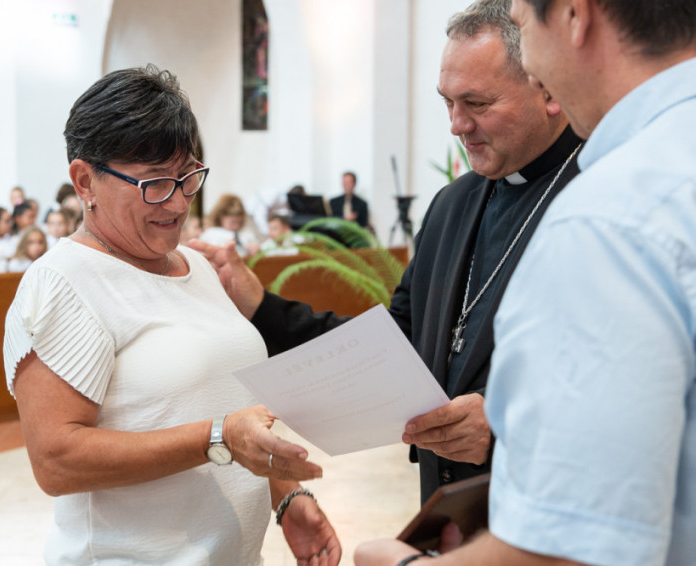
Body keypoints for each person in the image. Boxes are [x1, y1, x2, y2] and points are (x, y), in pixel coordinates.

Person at [191, 0, 580, 506]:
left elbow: (632, 378)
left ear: (547, 90)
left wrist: (505, 423)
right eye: (447, 102)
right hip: (447, 506)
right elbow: (391, 347)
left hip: (552, 506)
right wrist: (261, 307)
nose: (456, 125)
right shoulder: (453, 205)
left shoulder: (599, 198)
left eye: (477, 103)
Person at [354, 0, 696, 564]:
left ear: (573, 16)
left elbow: (577, 544)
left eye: (523, 23)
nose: (534, 69)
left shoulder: (610, 214)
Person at [3, 65, 340, 566]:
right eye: (155, 182)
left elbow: (220, 404)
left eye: (187, 177)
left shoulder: (198, 265)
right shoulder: (64, 283)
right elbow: (56, 460)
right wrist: (217, 437)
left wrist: (286, 495)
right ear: (85, 180)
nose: (179, 201)